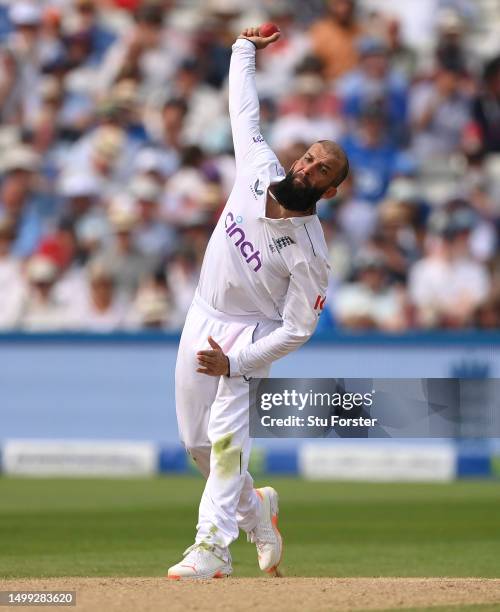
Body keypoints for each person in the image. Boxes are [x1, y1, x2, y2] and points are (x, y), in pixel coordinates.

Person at [168, 26, 349, 580]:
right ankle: (259, 508)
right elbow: (242, 107)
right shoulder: (257, 166)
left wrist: (239, 362)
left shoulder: (311, 253)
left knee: (225, 437)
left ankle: (211, 550)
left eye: (322, 170)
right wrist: (244, 49)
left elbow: (298, 329)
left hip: (251, 335)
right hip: (204, 314)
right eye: (309, 158)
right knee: (197, 445)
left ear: (330, 190)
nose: (307, 168)